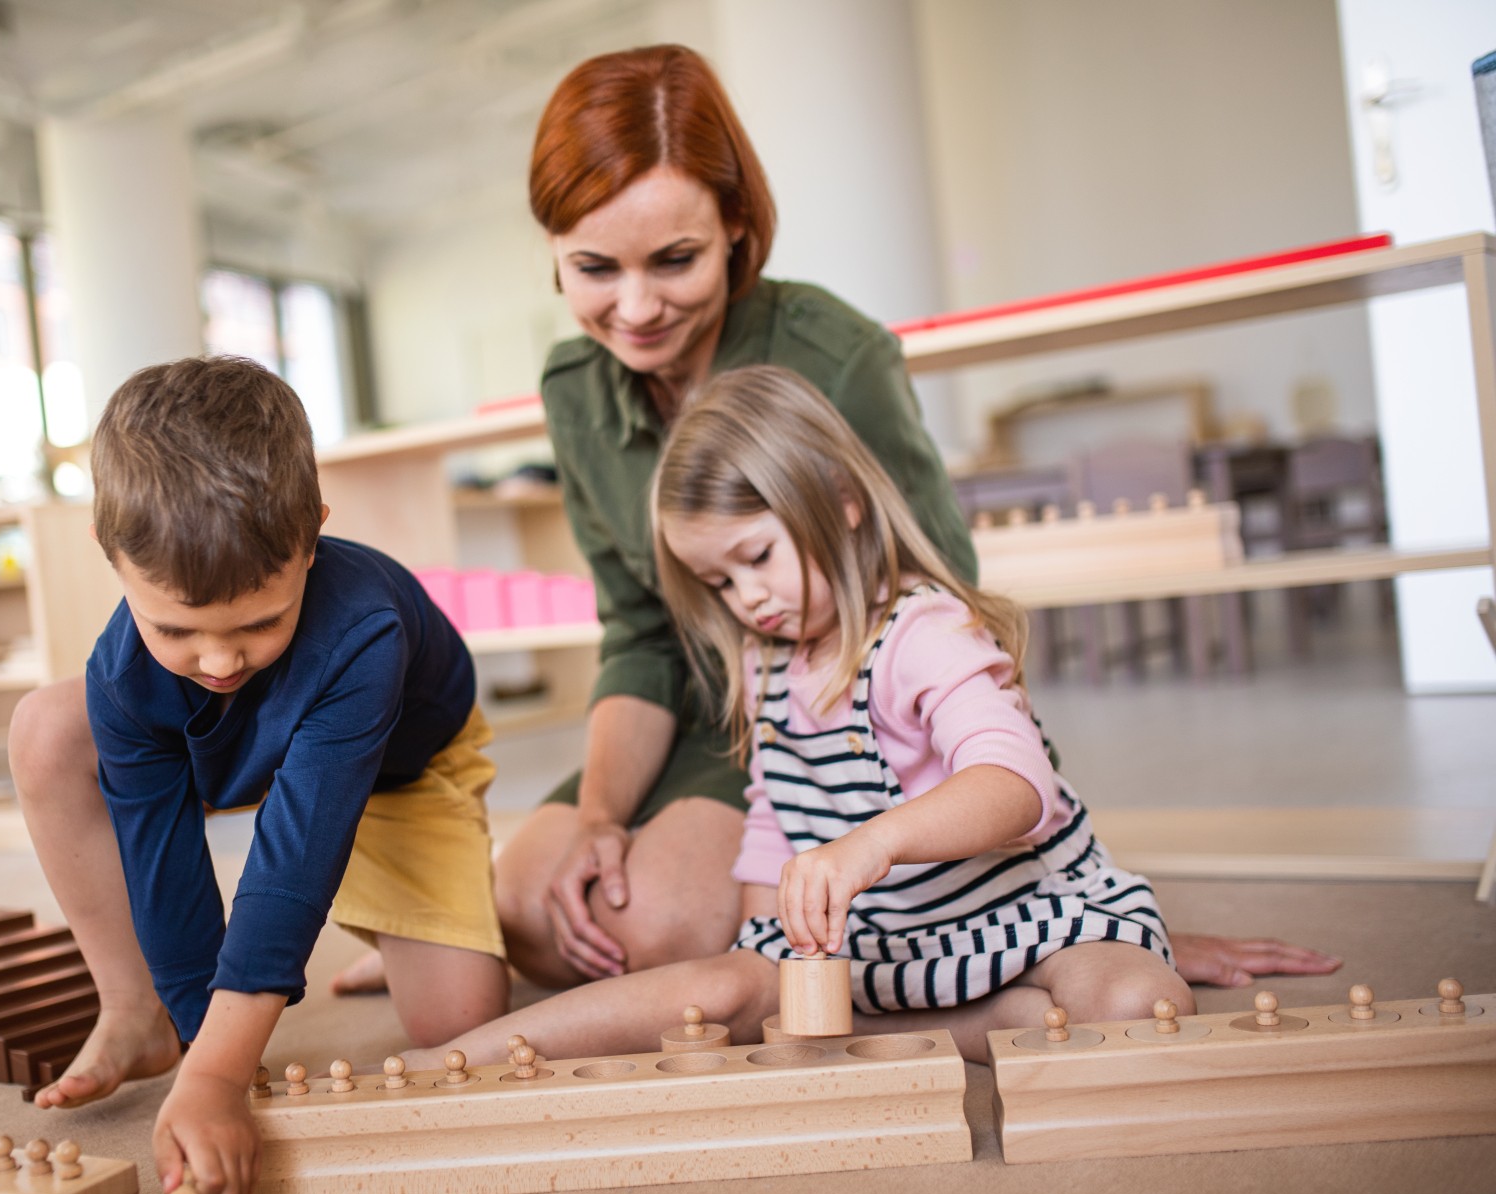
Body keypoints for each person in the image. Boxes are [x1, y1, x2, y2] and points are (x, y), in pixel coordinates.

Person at [340, 43, 1336, 997]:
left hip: (807, 723)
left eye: (675, 260)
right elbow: (641, 635)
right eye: (595, 268)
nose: (636, 309)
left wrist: (1076, 897)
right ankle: (520, 910)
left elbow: (948, 617)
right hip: (678, 714)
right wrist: (600, 815)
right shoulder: (572, 388)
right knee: (529, 907)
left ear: (737, 222)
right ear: (553, 251)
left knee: (651, 932)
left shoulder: (840, 353)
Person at [412, 365, 1191, 1068]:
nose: (746, 597)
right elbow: (772, 814)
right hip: (886, 950)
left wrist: (872, 845)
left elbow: (1019, 785)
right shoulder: (764, 661)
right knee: (721, 989)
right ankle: (462, 1056)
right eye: (717, 580)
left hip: (1025, 920)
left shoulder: (924, 630)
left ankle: (972, 1018)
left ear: (842, 502)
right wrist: (768, 943)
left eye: (757, 557)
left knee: (1131, 1005)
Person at [11, 356, 509, 1194]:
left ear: (311, 537)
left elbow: (293, 858)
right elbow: (163, 866)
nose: (216, 659)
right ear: (111, 555)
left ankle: (416, 914)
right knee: (48, 728)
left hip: (397, 770)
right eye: (176, 628)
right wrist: (208, 1056)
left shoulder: (363, 632)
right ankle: (132, 1011)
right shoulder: (127, 670)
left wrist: (218, 1076)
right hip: (239, 746)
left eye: (257, 621)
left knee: (459, 1030)